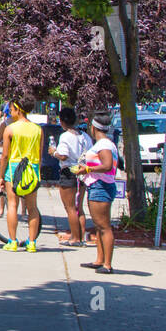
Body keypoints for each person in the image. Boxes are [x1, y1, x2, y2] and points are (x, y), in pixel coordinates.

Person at [77, 111, 119, 273]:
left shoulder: (104, 145)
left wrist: (87, 169)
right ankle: (99, 260)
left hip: (101, 186)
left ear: (94, 127)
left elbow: (107, 165)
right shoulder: (106, 143)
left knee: (104, 226)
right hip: (97, 185)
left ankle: (107, 264)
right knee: (99, 226)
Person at [0, 101, 43, 252]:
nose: (10, 113)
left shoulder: (10, 129)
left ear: (18, 110)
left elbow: (5, 155)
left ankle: (12, 241)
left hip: (14, 168)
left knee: (12, 205)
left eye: (11, 110)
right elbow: (40, 153)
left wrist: (1, 175)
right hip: (32, 168)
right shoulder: (38, 130)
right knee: (32, 207)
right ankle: (31, 242)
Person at [49, 107, 88, 246]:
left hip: (68, 171)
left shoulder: (65, 136)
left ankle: (75, 238)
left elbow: (64, 155)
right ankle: (81, 236)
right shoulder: (84, 135)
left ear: (62, 121)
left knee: (70, 207)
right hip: (82, 171)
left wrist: (53, 153)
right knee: (79, 207)